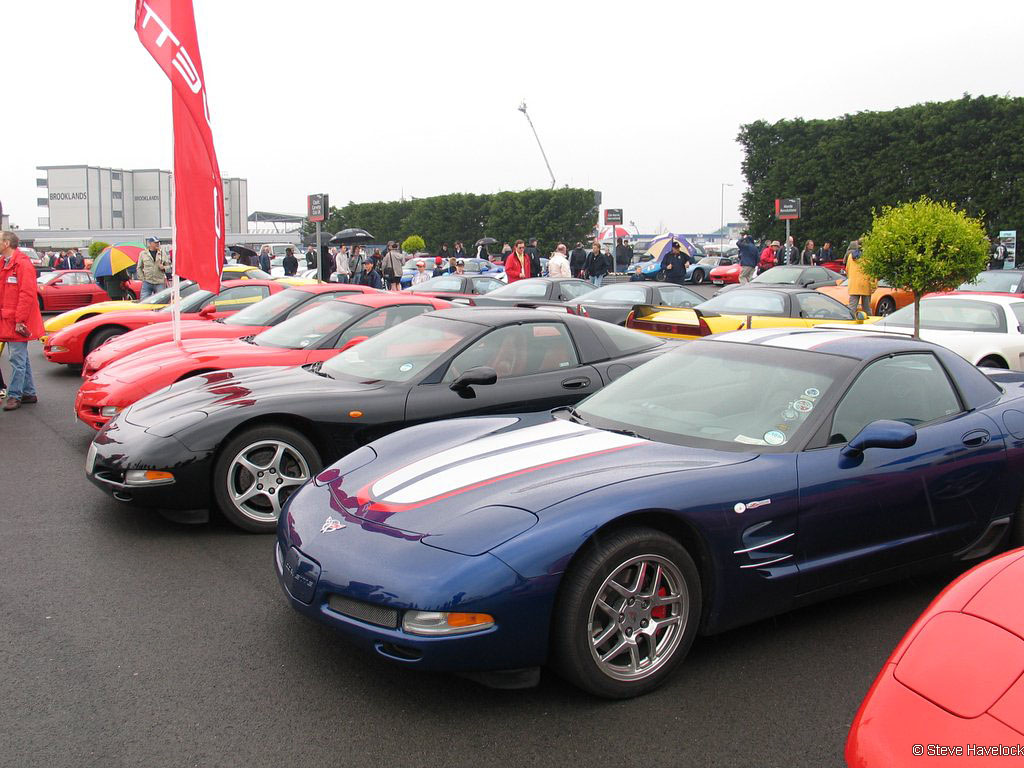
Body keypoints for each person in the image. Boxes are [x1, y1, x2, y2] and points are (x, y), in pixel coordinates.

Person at [0, 231, 44, 410]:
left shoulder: (22, 264)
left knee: (17, 359)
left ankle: (15, 395)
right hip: (9, 318)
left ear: (6, 243)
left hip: (16, 320)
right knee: (21, 359)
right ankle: (28, 393)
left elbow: (27, 295)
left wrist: (20, 320)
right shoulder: (6, 263)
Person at [845, 239, 872, 314]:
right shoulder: (868, 256)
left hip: (853, 285)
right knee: (867, 309)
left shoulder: (851, 256)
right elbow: (871, 271)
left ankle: (850, 322)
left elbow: (847, 269)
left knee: (852, 308)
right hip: (865, 284)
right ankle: (869, 324)